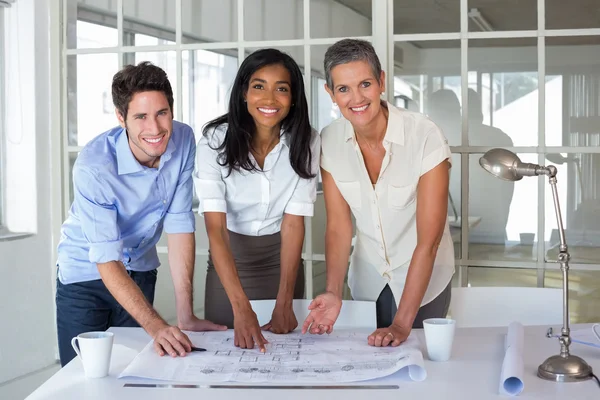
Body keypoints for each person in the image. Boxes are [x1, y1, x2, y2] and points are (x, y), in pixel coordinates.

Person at [56, 62, 226, 367]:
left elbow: (179, 223)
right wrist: (157, 325)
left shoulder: (184, 139)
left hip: (141, 270)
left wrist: (184, 314)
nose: (155, 128)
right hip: (86, 276)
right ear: (121, 118)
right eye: (141, 117)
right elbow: (107, 258)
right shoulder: (94, 167)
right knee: (85, 375)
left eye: (162, 113)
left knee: (137, 373)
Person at [302, 39, 455, 347]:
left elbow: (430, 240)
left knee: (420, 370)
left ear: (381, 81)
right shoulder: (330, 141)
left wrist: (401, 323)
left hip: (425, 282)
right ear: (330, 93)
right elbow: (338, 226)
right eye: (343, 89)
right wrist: (332, 290)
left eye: (365, 84)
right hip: (367, 279)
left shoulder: (424, 135)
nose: (356, 98)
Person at [194, 49, 320, 352]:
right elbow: (217, 231)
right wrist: (241, 307)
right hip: (230, 262)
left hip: (283, 263)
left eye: (282, 89)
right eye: (259, 86)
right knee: (227, 355)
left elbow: (293, 223)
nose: (269, 98)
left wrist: (285, 300)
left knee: (286, 357)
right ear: (244, 93)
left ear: (293, 98)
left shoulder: (307, 141)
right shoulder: (214, 142)